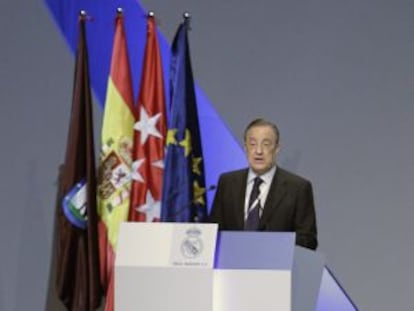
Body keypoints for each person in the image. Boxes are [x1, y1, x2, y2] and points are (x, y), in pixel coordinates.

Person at [209, 118, 318, 250]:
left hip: (278, 266)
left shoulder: (298, 188)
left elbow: (308, 240)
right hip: (232, 266)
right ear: (245, 148)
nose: (258, 151)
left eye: (266, 144)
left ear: (277, 148)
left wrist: (272, 246)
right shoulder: (228, 183)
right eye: (253, 144)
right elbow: (213, 232)